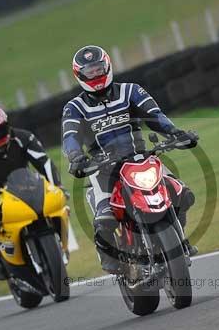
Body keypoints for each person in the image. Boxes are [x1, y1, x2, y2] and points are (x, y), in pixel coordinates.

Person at [61, 45, 198, 274]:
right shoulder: (74, 107)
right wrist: (76, 157)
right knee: (105, 218)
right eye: (90, 71)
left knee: (183, 195)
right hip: (103, 169)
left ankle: (178, 242)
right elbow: (70, 137)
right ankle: (112, 259)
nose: (96, 75)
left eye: (98, 69)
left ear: (107, 66)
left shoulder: (131, 91)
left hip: (141, 160)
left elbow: (155, 116)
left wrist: (176, 134)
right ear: (80, 75)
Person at [0, 105, 61, 279]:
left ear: (7, 125)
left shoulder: (24, 137)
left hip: (27, 187)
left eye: (1, 130)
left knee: (57, 205)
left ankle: (58, 242)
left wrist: (57, 186)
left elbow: (45, 162)